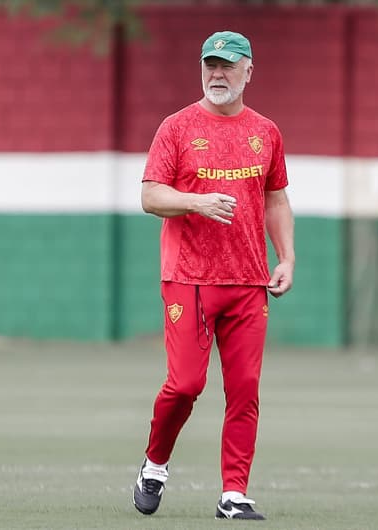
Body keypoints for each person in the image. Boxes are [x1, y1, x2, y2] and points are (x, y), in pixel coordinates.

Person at [132, 30, 295, 521]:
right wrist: (194, 201)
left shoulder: (266, 132)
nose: (216, 74)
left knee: (244, 390)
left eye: (227, 65)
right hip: (190, 279)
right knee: (185, 385)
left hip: (249, 282)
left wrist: (286, 257)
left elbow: (276, 199)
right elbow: (150, 196)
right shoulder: (177, 128)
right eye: (210, 65)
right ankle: (154, 465)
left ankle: (234, 494)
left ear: (249, 71)